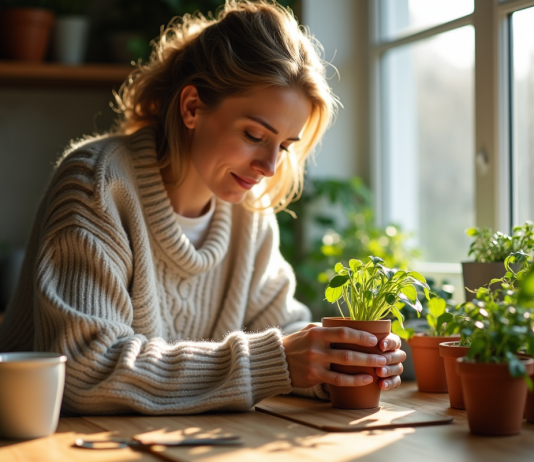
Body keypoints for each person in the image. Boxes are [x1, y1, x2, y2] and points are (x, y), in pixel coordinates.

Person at [0, 0, 405, 415]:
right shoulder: (97, 184)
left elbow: (282, 329)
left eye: (284, 146)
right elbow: (85, 368)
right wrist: (278, 361)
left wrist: (338, 363)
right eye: (253, 134)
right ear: (192, 107)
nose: (269, 167)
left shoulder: (251, 214)